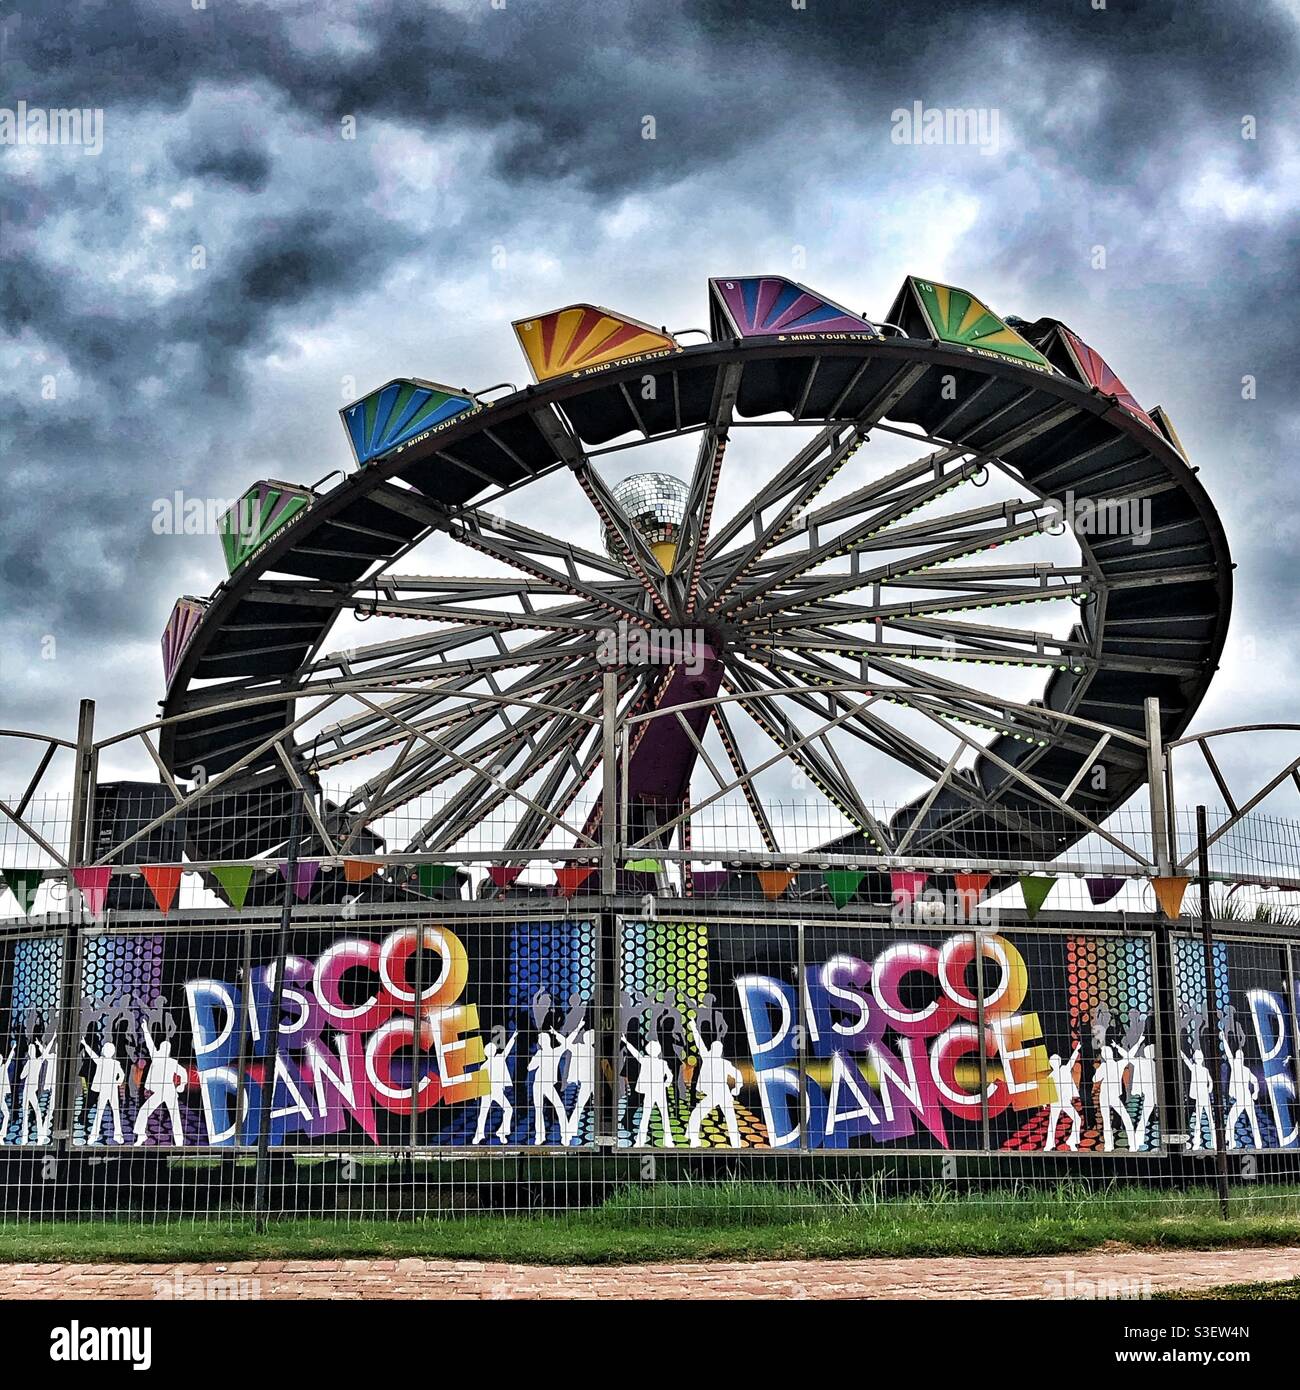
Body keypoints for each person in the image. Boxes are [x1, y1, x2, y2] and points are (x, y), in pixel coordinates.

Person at [685, 1019, 741, 1148]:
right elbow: (700, 1043)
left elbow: (700, 1044)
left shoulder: (711, 1059)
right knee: (729, 1119)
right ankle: (694, 1139)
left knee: (698, 1114)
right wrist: (737, 1088)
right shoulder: (716, 1060)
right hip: (721, 1093)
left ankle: (694, 1139)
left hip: (719, 1093)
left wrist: (737, 1087)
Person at [133, 1028, 187, 1146]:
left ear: (168, 1051)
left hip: (169, 1090)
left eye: (165, 1048)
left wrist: (181, 1085)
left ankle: (179, 1141)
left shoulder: (171, 1062)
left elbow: (183, 1073)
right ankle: (141, 1135)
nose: (162, 1049)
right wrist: (146, 1029)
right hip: (160, 1091)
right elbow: (149, 1043)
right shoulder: (156, 1057)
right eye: (162, 1047)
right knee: (144, 1111)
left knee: (175, 1115)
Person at [623, 1036, 675, 1147]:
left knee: (646, 1116)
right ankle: (668, 1140)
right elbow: (670, 1075)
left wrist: (626, 1042)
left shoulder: (646, 1060)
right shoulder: (662, 1063)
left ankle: (640, 1141)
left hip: (651, 1091)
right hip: (659, 1091)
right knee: (664, 1115)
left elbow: (635, 1053)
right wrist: (665, 1085)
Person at [472, 1032, 517, 1144]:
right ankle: (481, 1135)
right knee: (503, 1110)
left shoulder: (493, 1061)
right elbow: (507, 1049)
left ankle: (497, 1133)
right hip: (489, 1091)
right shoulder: (492, 1062)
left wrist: (513, 1038)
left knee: (489, 1112)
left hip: (493, 1091)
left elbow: (507, 1048)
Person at [82, 1039, 126, 1144]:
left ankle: (100, 1135)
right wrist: (118, 1082)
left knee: (105, 1111)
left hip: (110, 1090)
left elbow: (122, 1074)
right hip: (107, 1089)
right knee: (105, 1111)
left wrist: (118, 1082)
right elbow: (122, 1075)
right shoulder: (107, 1062)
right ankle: (99, 1135)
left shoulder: (112, 1062)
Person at [527, 1032, 567, 1145]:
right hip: (542, 1085)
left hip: (541, 1085)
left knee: (540, 1110)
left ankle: (540, 1137)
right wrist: (557, 1034)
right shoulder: (554, 1052)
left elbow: (530, 1067)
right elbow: (566, 1044)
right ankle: (564, 1136)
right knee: (558, 1108)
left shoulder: (542, 1053)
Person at [1094, 1044, 1134, 1151]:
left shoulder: (1103, 1066)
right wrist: (1119, 1047)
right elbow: (1130, 1056)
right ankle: (1133, 1144)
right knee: (1125, 1117)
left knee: (1106, 1122)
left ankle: (1108, 1146)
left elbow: (1095, 1079)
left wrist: (1098, 1069)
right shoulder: (1118, 1064)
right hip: (1114, 1096)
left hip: (1104, 1096)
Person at [1121, 1039, 1159, 1149]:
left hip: (1151, 1094)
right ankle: (1138, 1139)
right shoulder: (1152, 1063)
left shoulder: (1144, 1062)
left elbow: (1128, 1057)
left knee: (1144, 1116)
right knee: (1144, 1116)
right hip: (1153, 1095)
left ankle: (1138, 1139)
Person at [561, 1025, 595, 1145]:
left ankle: (570, 1130)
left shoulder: (583, 1048)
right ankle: (570, 1130)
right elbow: (567, 1043)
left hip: (591, 1082)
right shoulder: (582, 1048)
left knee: (579, 1106)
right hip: (589, 1083)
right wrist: (578, 1028)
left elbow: (567, 1043)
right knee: (580, 1106)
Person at [1043, 1046, 1081, 1151]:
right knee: (1052, 1123)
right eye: (1053, 1061)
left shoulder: (1064, 1069)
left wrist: (1076, 1049)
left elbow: (1071, 1061)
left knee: (1077, 1119)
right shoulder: (1049, 1076)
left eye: (1057, 1060)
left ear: (1059, 1061)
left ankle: (1072, 1141)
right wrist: (1045, 1102)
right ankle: (1049, 1145)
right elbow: (1046, 1090)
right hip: (1055, 1102)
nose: (1055, 1062)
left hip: (1064, 1101)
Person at [1225, 1046, 1262, 1150]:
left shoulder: (1241, 1068)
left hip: (1243, 1098)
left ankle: (1231, 1142)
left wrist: (1255, 1092)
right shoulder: (1243, 1069)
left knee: (1232, 1120)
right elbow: (1255, 1082)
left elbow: (1255, 1081)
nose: (1237, 1059)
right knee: (1250, 1121)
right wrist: (1255, 1093)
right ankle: (1257, 1144)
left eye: (1238, 1057)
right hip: (1245, 1098)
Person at [1181, 1047, 1216, 1150]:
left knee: (1209, 1119)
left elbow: (1211, 1081)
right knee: (1198, 1120)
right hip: (1200, 1097)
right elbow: (1187, 1062)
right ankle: (1197, 1142)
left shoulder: (1205, 1070)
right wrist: (1181, 1052)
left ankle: (1213, 1142)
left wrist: (1210, 1088)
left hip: (1205, 1097)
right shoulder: (1194, 1068)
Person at [0, 1043, 15, 1143]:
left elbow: (8, 1060)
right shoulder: (3, 1068)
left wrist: (12, 1049)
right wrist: (13, 1049)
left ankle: (2, 1134)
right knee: (6, 1114)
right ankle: (1, 1135)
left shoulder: (3, 1067)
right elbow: (9, 1060)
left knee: (6, 1114)